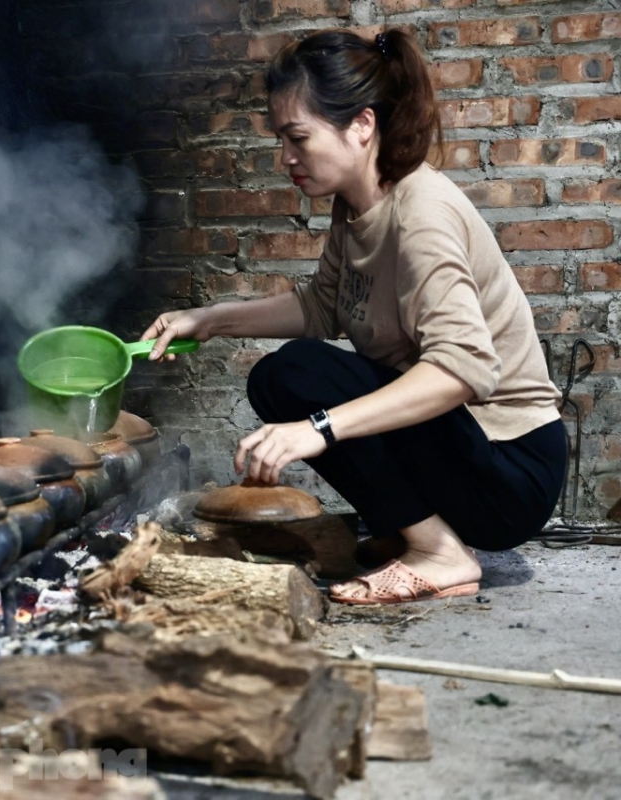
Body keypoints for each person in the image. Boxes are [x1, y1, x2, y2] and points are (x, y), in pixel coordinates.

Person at [140, 28, 566, 605]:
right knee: (280, 375)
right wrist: (208, 320)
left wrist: (315, 430)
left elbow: (463, 371)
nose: (286, 158)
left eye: (298, 138)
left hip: (511, 471)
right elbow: (323, 305)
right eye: (280, 139)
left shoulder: (421, 218)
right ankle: (416, 530)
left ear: (361, 125)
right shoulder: (357, 205)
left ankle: (440, 553)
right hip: (464, 454)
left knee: (301, 374)